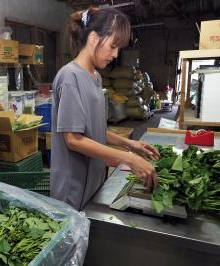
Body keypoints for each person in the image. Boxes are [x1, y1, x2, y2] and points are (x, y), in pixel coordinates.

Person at [50, 7, 160, 211]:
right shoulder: (69, 77)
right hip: (72, 188)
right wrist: (128, 159)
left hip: (92, 179)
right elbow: (73, 139)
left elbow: (94, 130)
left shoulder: (96, 77)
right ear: (93, 38)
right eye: (113, 46)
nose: (115, 54)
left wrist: (130, 144)